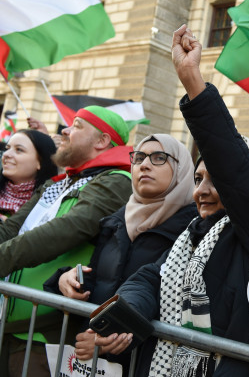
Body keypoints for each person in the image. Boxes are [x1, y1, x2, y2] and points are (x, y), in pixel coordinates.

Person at [89, 25, 249, 376]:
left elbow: (237, 173)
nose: (201, 191)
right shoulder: (189, 236)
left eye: (216, 183)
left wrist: (193, 82)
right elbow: (148, 280)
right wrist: (125, 315)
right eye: (198, 179)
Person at [44, 134, 197, 372]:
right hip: (93, 355)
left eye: (159, 158)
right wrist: (65, 281)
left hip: (147, 361)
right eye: (139, 157)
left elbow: (157, 292)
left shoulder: (192, 231)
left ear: (182, 170)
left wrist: (111, 333)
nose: (144, 165)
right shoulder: (117, 221)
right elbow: (102, 280)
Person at [0, 106, 133, 377]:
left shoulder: (117, 181)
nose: (64, 130)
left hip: (46, 335)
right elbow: (12, 229)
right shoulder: (58, 183)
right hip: (10, 326)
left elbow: (64, 231)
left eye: (77, 125)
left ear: (102, 141)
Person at [0, 130, 57, 221]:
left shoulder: (51, 205)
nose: (6, 154)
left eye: (19, 150)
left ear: (41, 162)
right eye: (7, 148)